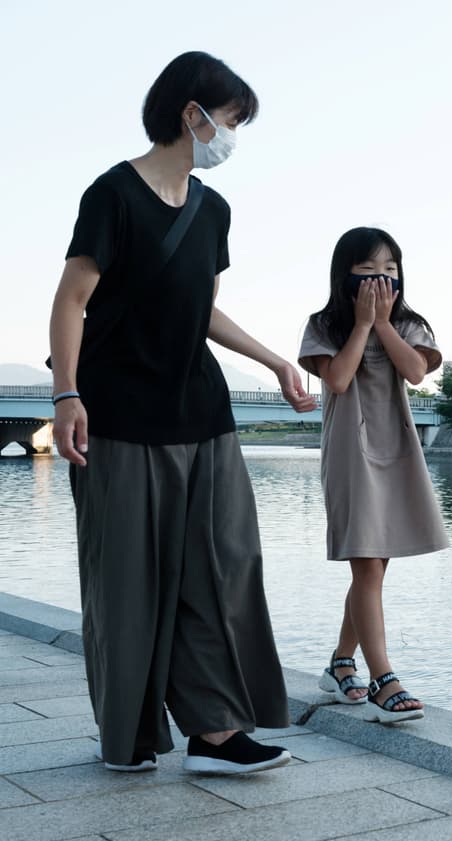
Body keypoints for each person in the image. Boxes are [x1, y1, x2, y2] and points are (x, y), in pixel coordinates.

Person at [48, 51, 314, 774]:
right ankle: (131, 735)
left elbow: (203, 311)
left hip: (202, 408)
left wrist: (275, 360)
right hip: (121, 410)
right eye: (230, 121)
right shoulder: (111, 193)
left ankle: (217, 732)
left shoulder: (213, 209)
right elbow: (72, 298)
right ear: (191, 114)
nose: (231, 137)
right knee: (128, 579)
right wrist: (66, 393)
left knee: (224, 565)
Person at [298, 227, 449, 724]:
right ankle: (383, 678)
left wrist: (383, 324)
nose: (382, 278)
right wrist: (362, 325)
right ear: (346, 274)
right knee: (366, 565)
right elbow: (337, 380)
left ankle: (342, 662)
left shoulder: (410, 324)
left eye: (390, 269)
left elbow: (415, 373)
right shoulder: (323, 324)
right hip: (349, 450)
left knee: (376, 566)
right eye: (369, 269)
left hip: (398, 447)